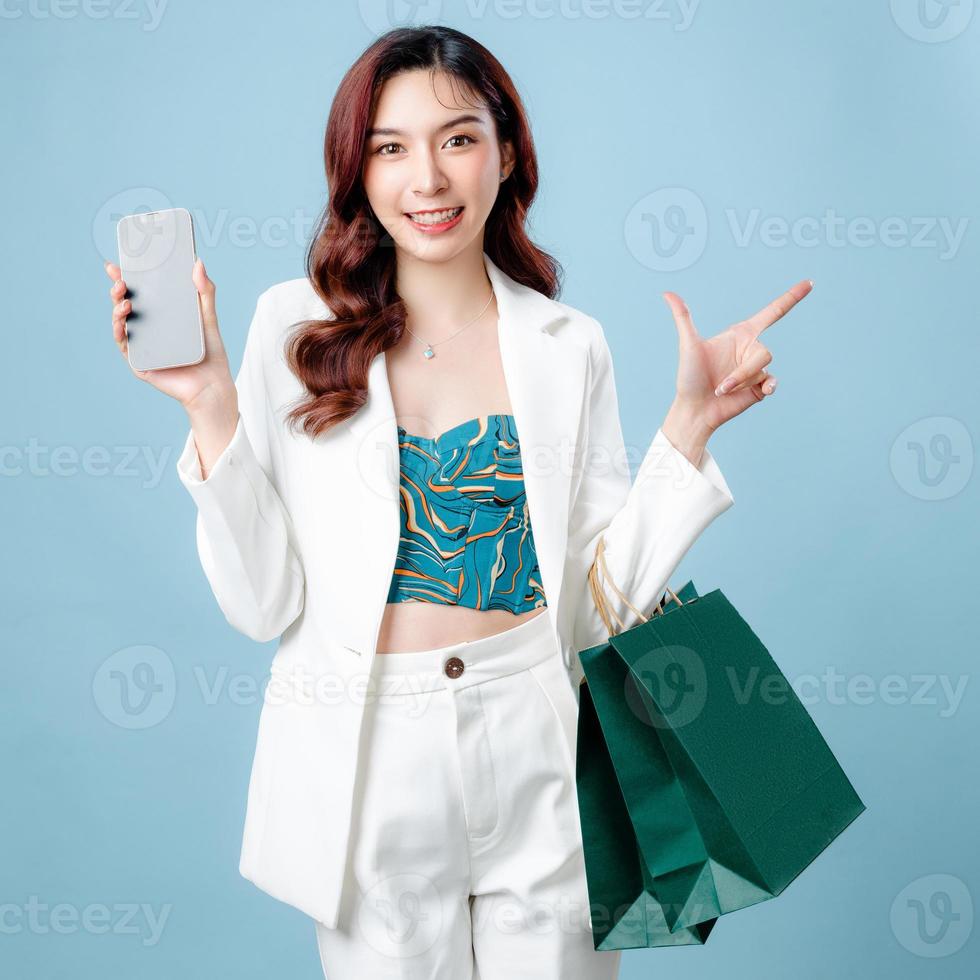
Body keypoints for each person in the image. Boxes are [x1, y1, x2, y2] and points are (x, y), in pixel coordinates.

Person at [104, 25, 809, 980]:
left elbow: (600, 605)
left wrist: (688, 428)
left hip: (539, 736)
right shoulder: (293, 331)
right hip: (370, 755)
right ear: (358, 170)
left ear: (506, 150)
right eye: (391, 148)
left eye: (457, 139)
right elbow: (260, 604)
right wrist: (212, 411)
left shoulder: (570, 343)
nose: (427, 180)